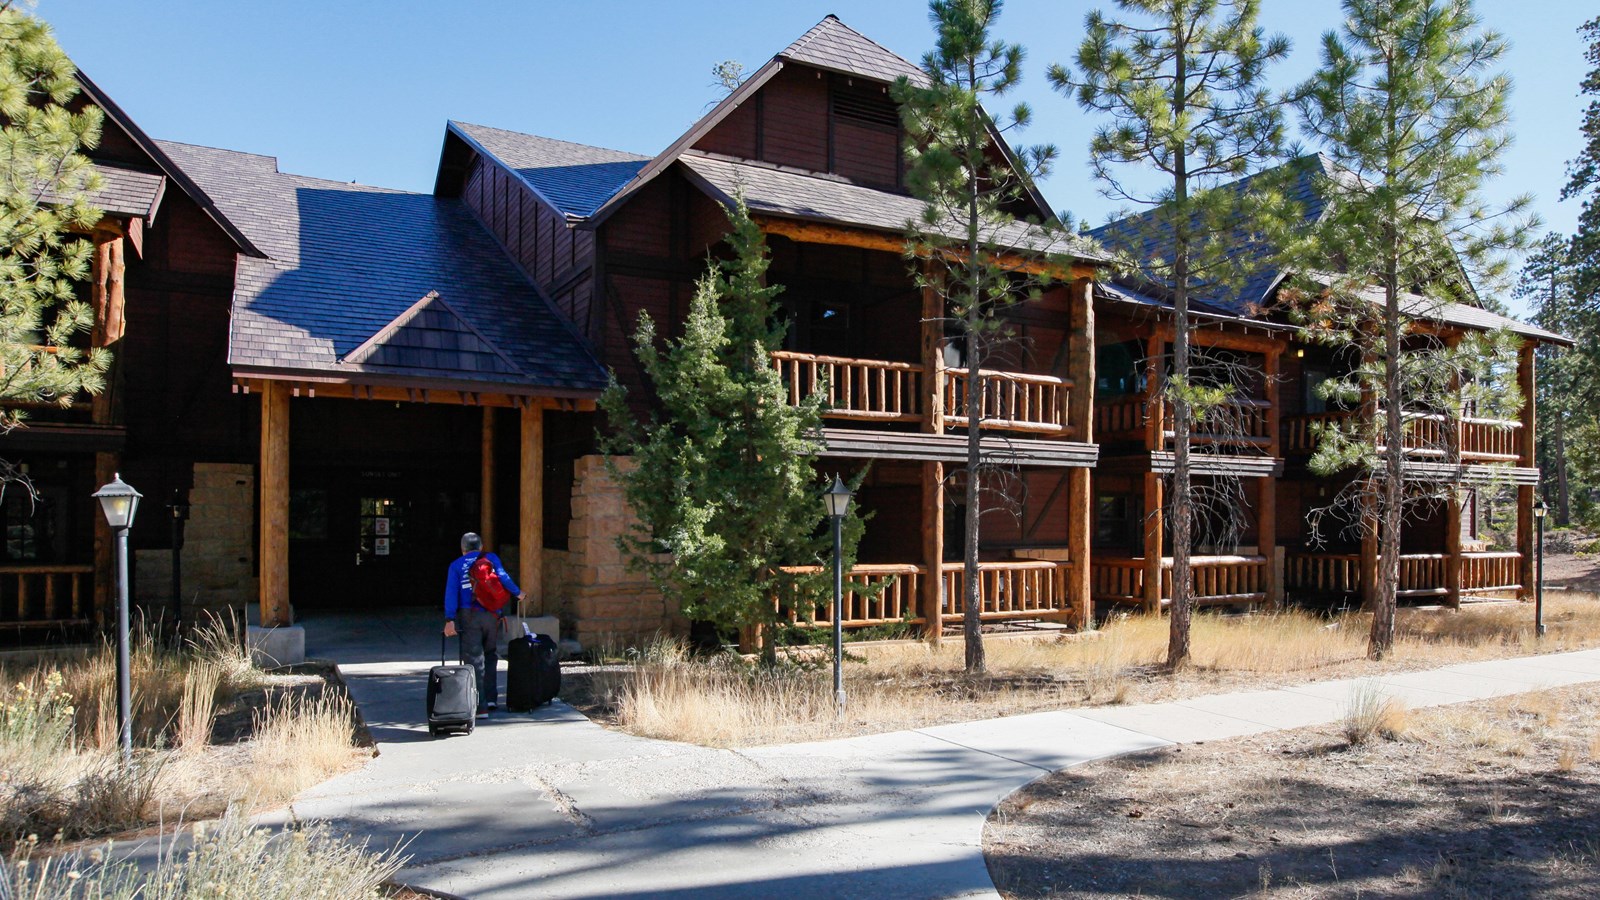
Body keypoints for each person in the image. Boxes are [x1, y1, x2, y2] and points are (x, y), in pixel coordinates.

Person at [443, 532, 525, 718]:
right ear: (480, 547)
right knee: (490, 654)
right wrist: (518, 593)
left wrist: (449, 619)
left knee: (473, 658)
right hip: (492, 614)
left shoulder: (455, 565)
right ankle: (492, 699)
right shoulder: (491, 558)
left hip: (469, 615)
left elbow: (451, 593)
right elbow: (503, 577)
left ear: (462, 549)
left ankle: (480, 707)